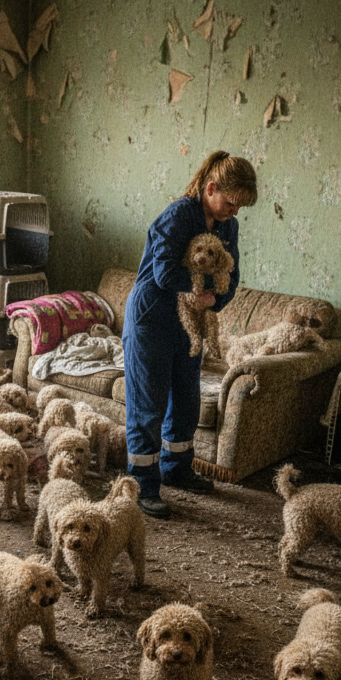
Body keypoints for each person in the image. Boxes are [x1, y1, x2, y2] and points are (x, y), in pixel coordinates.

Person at [123, 151, 258, 519]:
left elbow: (232, 276)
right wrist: (199, 291)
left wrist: (216, 298)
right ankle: (143, 486)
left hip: (190, 324)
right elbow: (165, 273)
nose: (235, 211)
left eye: (241, 206)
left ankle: (177, 469)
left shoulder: (228, 227)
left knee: (186, 400)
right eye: (231, 202)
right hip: (152, 318)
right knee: (148, 407)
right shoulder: (178, 215)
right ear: (211, 188)